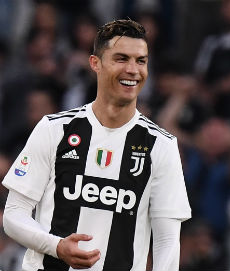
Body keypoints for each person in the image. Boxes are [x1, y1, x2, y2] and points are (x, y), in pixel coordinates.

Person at [2, 19, 191, 271]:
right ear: (95, 63)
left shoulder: (161, 145)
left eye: (141, 60)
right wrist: (56, 247)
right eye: (121, 59)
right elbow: (14, 214)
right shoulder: (54, 129)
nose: (133, 70)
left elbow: (167, 240)